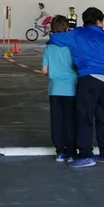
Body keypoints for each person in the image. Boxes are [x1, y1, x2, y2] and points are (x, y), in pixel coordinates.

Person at [49, 7, 104, 167]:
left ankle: (86, 155)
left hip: (87, 79)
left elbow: (55, 38)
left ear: (84, 21)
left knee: (85, 117)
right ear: (99, 21)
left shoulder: (77, 34)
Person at [42, 15, 77, 162]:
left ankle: (59, 151)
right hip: (71, 88)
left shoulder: (48, 47)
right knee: (71, 120)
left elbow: (44, 70)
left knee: (57, 120)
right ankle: (71, 152)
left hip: (55, 89)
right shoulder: (72, 46)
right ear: (67, 28)